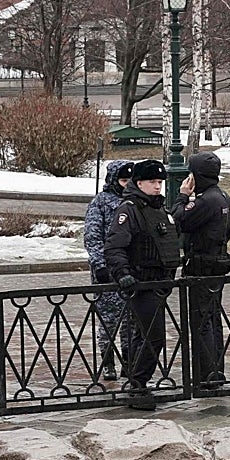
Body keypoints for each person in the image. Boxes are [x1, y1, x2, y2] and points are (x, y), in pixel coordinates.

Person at [104, 158, 181, 410]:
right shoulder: (129, 209)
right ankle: (138, 384)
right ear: (139, 183)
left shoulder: (158, 208)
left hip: (159, 283)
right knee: (153, 337)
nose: (158, 186)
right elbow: (115, 246)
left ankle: (137, 384)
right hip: (142, 283)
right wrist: (123, 273)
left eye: (160, 182)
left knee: (143, 335)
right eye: (152, 182)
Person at [172, 152, 230, 390]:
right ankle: (214, 371)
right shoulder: (222, 196)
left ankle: (206, 373)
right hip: (216, 262)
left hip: (201, 265)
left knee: (201, 322)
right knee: (212, 319)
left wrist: (181, 196)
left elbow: (178, 219)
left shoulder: (206, 200)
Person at [82, 159, 133, 381]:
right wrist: (99, 264)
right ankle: (108, 363)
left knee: (131, 321)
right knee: (108, 321)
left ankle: (129, 363)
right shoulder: (100, 203)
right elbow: (92, 236)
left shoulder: (134, 202)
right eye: (123, 180)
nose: (127, 184)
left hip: (130, 270)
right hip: (107, 272)